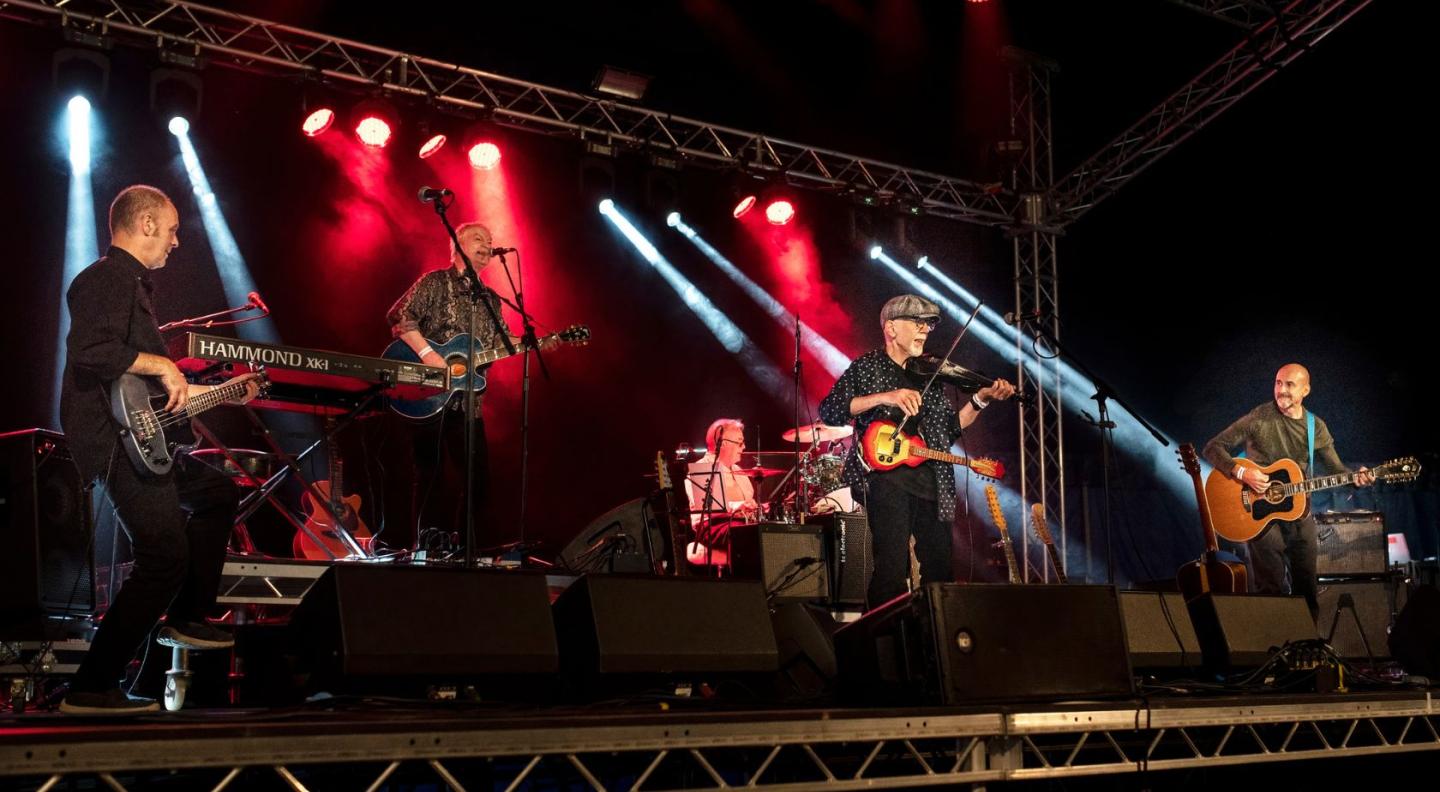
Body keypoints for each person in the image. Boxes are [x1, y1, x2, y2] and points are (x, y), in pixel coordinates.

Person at [59, 184, 258, 714]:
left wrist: (227, 391)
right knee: (163, 559)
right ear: (146, 224)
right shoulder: (106, 278)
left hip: (141, 438)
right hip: (115, 443)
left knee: (217, 493)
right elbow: (91, 351)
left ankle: (188, 619)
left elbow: (146, 389)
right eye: (171, 229)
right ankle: (90, 687)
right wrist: (164, 364)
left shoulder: (133, 287)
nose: (175, 242)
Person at [818, 294, 1015, 608]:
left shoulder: (930, 375)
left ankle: (931, 646)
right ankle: (886, 647)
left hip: (934, 483)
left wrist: (981, 400)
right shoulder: (868, 366)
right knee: (891, 571)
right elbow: (831, 410)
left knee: (941, 572)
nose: (926, 329)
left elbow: (948, 430)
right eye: (918, 322)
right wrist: (887, 397)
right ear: (892, 328)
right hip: (886, 480)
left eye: (929, 324)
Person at [1202, 363, 1373, 618]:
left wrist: (1355, 478)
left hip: (1297, 510)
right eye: (1278, 383)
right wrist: (1242, 472)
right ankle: (1272, 647)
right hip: (1258, 512)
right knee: (1271, 587)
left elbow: (1336, 470)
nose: (1281, 390)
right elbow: (1213, 448)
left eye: (1289, 385)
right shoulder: (1259, 417)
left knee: (1307, 588)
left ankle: (1307, 649)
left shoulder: (1315, 427)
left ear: (1305, 390)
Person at [386, 221, 514, 553]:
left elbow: (503, 341)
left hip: (468, 403)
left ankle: (465, 551)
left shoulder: (491, 300)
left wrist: (541, 341)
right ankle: (425, 549)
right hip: (427, 393)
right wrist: (429, 354)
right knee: (431, 475)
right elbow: (400, 316)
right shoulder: (435, 282)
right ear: (456, 245)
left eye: (489, 240)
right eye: (478, 239)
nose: (486, 245)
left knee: (478, 480)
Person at [683, 418, 760, 567]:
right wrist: (739, 506)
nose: (743, 447)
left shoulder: (739, 471)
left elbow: (747, 506)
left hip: (741, 523)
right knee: (748, 534)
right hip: (712, 527)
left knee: (765, 530)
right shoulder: (703, 468)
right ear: (723, 443)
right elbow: (710, 506)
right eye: (739, 442)